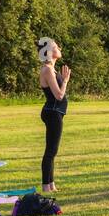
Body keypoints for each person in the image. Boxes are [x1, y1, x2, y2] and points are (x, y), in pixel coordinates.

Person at [38, 37, 70, 194]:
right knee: (50, 151)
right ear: (49, 52)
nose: (59, 49)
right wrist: (64, 81)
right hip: (52, 112)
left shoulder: (52, 69)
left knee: (52, 151)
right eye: (56, 47)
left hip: (55, 112)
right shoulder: (47, 69)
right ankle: (46, 185)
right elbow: (59, 95)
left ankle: (51, 184)